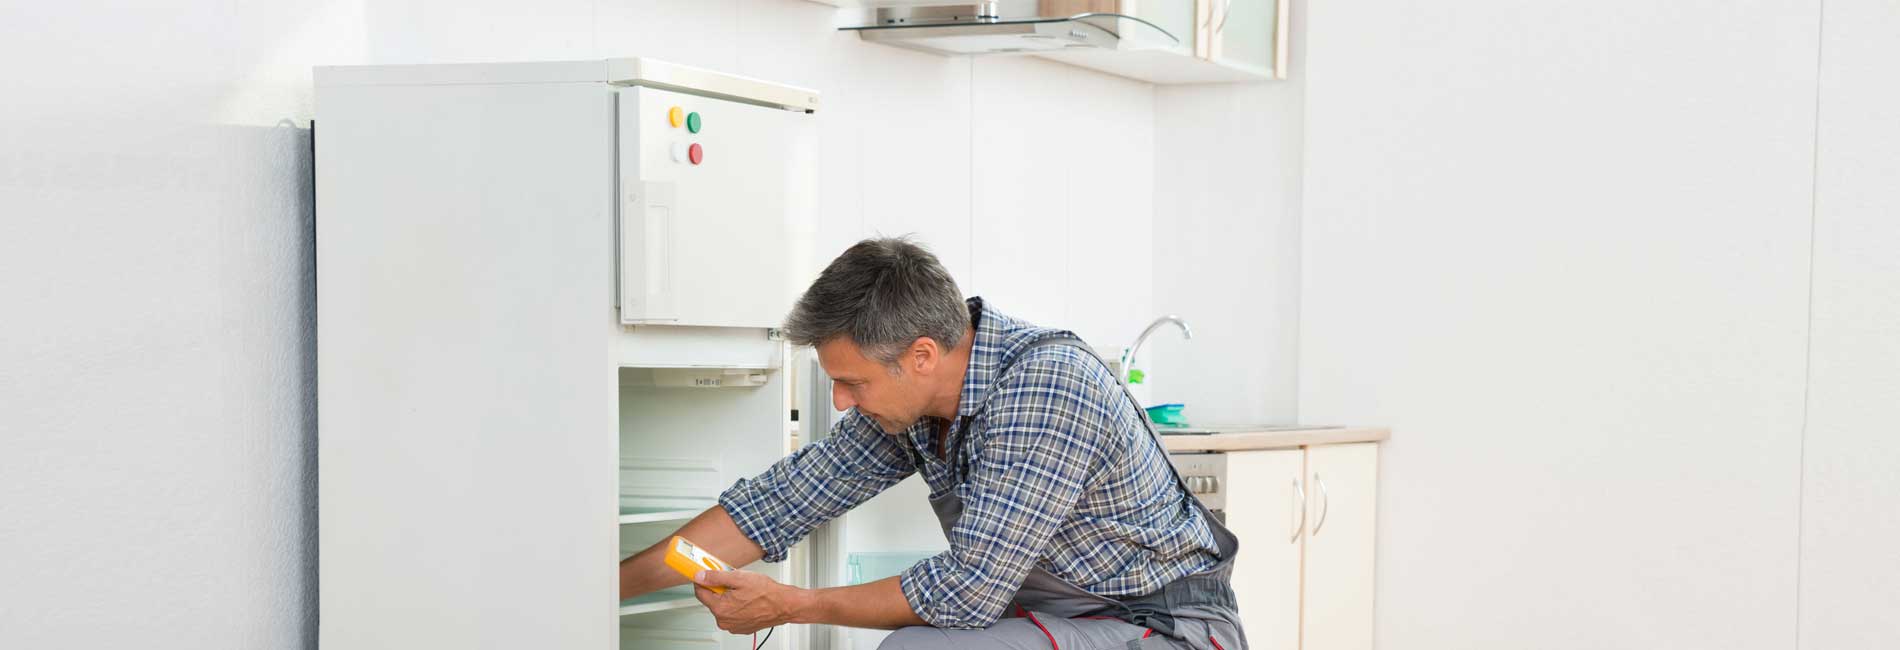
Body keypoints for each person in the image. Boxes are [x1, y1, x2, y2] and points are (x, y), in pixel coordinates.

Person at [617, 237, 1246, 649]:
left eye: (853, 382)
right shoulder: (915, 402)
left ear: (921, 355)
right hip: (1064, 621)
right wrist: (604, 586)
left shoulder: (1044, 387)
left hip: (1163, 629)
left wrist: (793, 605)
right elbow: (781, 503)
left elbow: (967, 590)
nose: (841, 401)